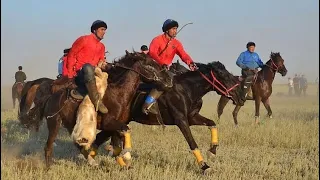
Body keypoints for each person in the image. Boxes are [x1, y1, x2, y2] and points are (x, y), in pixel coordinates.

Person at [142, 19, 197, 115]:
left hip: (167, 68)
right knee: (165, 81)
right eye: (173, 29)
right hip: (154, 66)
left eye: (176, 29)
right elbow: (152, 52)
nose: (175, 31)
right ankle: (147, 105)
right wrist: (161, 62)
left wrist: (190, 63)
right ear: (167, 30)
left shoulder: (176, 43)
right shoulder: (157, 40)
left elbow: (183, 55)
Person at [63, 20, 109, 113]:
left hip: (94, 74)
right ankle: (97, 101)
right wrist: (70, 74)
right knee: (87, 67)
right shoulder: (83, 39)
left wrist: (104, 65)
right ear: (94, 30)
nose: (104, 32)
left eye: (105, 30)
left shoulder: (102, 46)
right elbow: (72, 55)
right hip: (80, 73)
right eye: (102, 29)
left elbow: (101, 61)